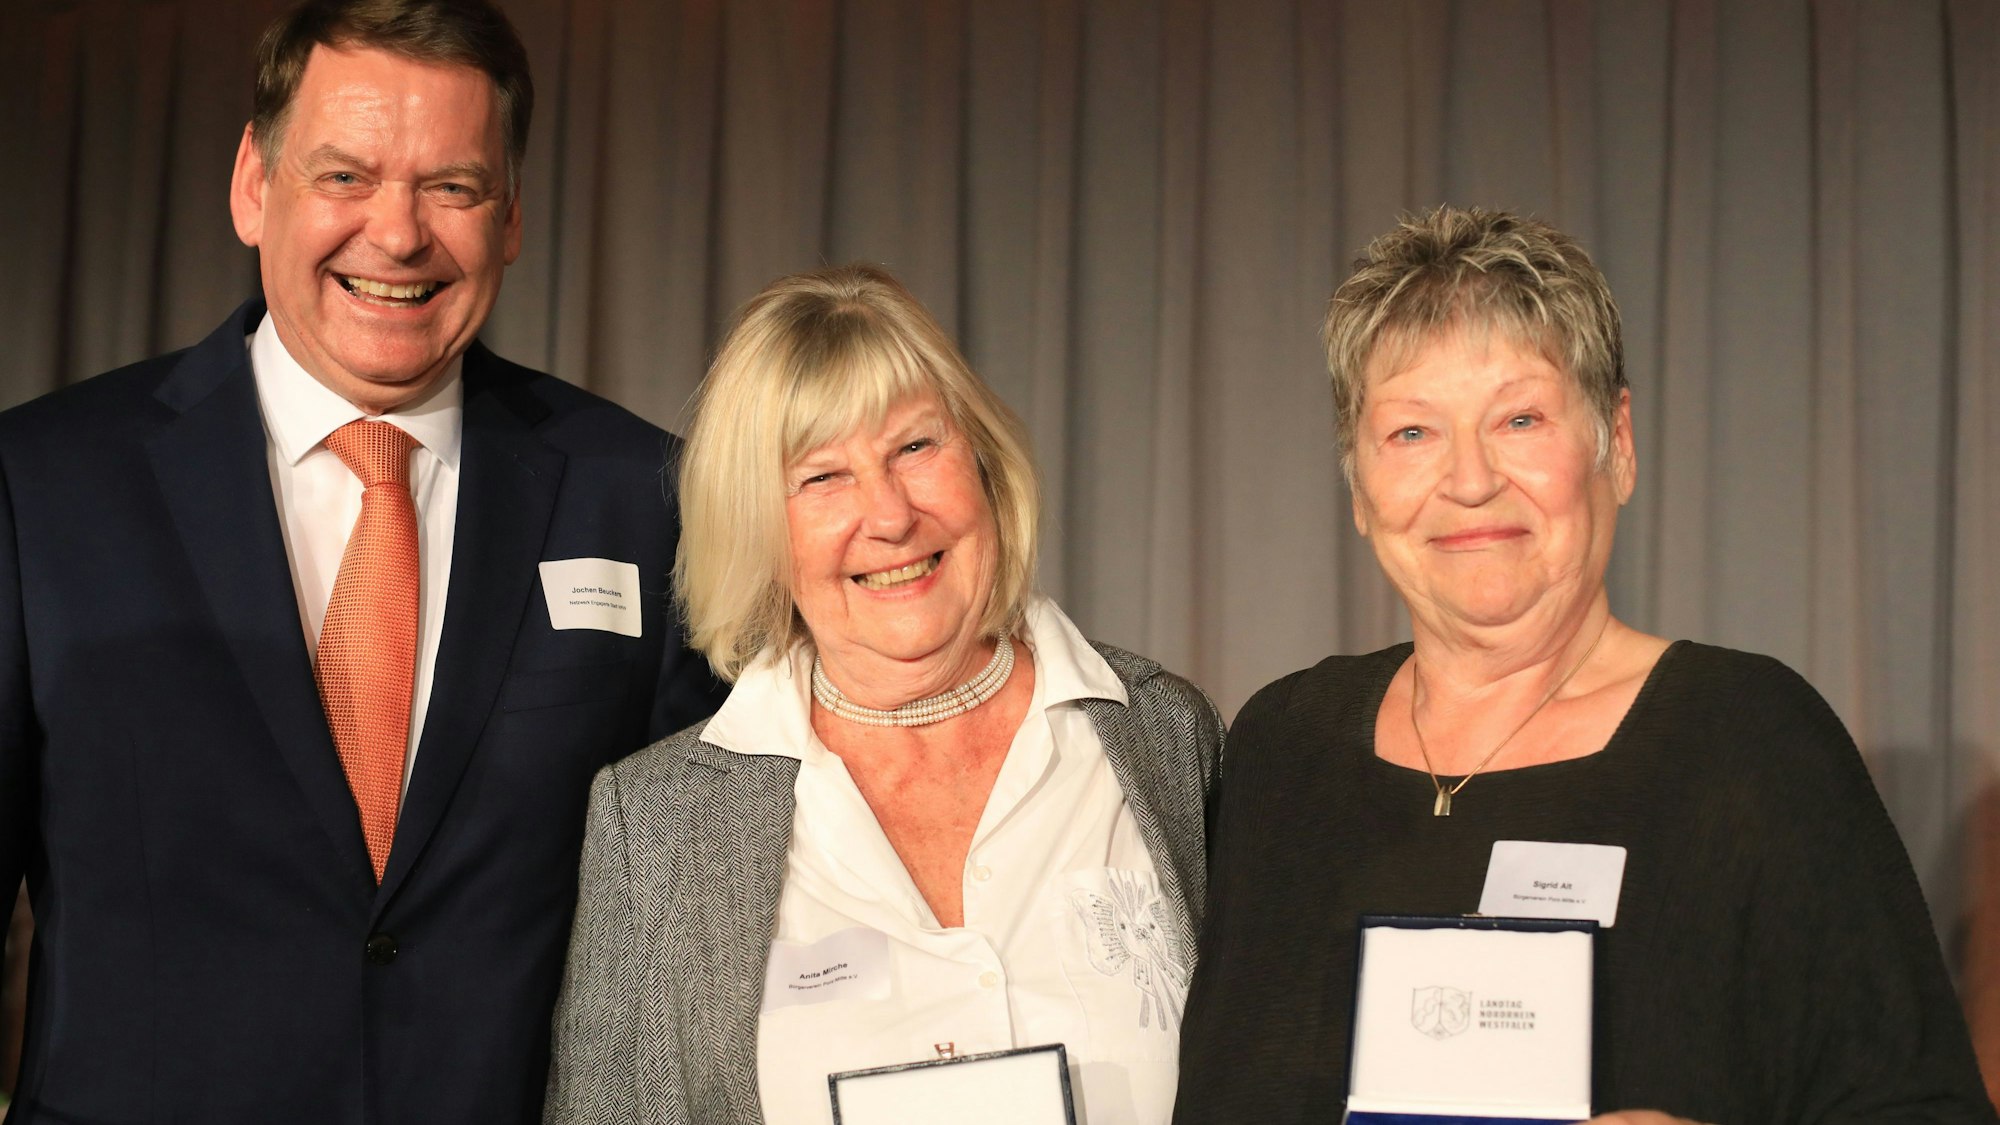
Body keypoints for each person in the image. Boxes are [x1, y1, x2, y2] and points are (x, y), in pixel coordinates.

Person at [0, 1, 724, 1121]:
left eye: (453, 187)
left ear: (512, 216)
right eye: (345, 176)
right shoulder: (42, 484)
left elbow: (705, 911)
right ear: (253, 185)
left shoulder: (640, 493)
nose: (397, 235)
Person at [1172, 206, 1996, 1124]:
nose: (1471, 479)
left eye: (1519, 418)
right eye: (1412, 432)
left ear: (1618, 441)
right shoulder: (1284, 746)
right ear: (1359, 487)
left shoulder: (1751, 741)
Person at [542, 264, 1224, 1125]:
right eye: (821, 476)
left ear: (981, 459)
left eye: (914, 446)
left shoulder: (1165, 734)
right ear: (759, 526)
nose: (891, 515)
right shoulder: (657, 824)